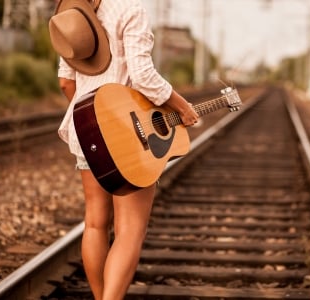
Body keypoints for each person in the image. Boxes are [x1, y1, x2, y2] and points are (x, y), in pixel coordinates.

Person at [48, 0, 199, 299]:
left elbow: (66, 83)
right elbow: (143, 76)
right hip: (129, 135)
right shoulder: (130, 9)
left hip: (86, 128)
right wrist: (182, 106)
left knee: (94, 223)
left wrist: (95, 119)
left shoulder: (71, 14)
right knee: (129, 229)